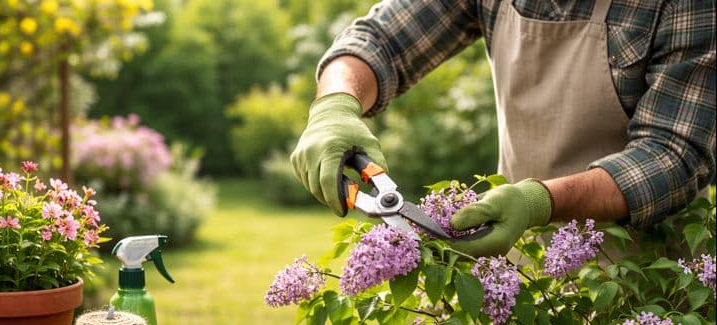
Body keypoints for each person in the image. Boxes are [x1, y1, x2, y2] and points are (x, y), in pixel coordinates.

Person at [290, 0, 715, 257]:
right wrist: (336, 104)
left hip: (644, 286)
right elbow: (383, 39)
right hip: (514, 259)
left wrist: (536, 202)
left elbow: (674, 154)